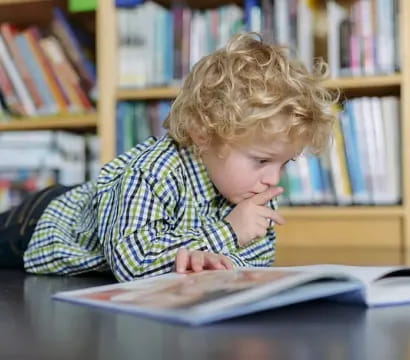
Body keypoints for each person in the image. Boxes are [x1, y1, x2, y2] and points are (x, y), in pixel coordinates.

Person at [0, 33, 336, 281]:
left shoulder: (252, 192)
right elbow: (132, 264)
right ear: (204, 134)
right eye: (262, 160)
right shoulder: (153, 172)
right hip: (40, 224)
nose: (273, 180)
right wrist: (227, 234)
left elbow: (252, 262)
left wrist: (218, 261)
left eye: (284, 163)